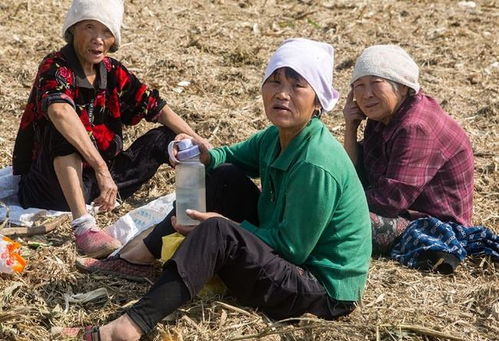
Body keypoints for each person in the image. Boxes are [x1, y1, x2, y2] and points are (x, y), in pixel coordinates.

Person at [58, 38, 372, 340]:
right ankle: (141, 256)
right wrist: (201, 154)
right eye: (274, 81)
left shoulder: (315, 163)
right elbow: (228, 157)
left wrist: (223, 227)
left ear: (318, 100)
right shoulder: (277, 137)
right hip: (291, 254)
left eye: (297, 85)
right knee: (221, 175)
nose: (282, 94)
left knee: (217, 232)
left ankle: (127, 328)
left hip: (320, 289)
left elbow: (292, 248)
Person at [11, 0, 209, 258]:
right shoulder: (56, 66)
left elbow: (155, 106)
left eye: (106, 32)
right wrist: (101, 170)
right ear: (73, 30)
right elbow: (59, 111)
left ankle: (193, 211)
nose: (98, 39)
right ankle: (83, 227)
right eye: (90, 28)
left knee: (171, 137)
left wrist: (202, 143)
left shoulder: (112, 70)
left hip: (99, 185)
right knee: (63, 126)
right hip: (49, 188)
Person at [342, 45, 474, 256]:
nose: (366, 95)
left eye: (376, 83)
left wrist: (334, 201)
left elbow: (389, 202)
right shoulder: (383, 116)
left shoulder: (415, 127)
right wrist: (351, 127)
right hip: (402, 212)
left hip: (434, 227)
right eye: (359, 86)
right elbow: (354, 171)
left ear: (402, 86)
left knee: (335, 218)